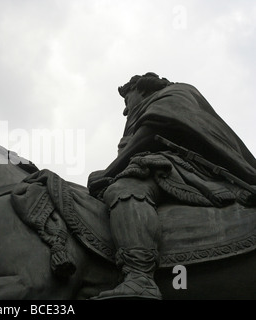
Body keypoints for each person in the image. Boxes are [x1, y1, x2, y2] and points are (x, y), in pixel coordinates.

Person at [88, 72, 256, 299]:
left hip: (188, 167)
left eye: (127, 100)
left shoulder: (175, 93)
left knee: (126, 189)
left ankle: (140, 278)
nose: (125, 110)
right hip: (167, 164)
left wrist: (109, 172)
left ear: (142, 88)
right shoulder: (152, 108)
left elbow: (155, 131)